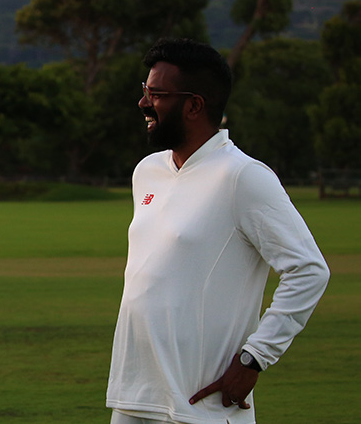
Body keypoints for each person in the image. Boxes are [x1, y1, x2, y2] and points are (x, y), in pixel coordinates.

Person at [106, 38, 329, 424]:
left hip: (201, 404)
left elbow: (308, 270)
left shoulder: (243, 176)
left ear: (194, 105)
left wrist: (255, 357)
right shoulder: (148, 172)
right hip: (134, 396)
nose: (144, 102)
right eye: (145, 91)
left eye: (156, 94)